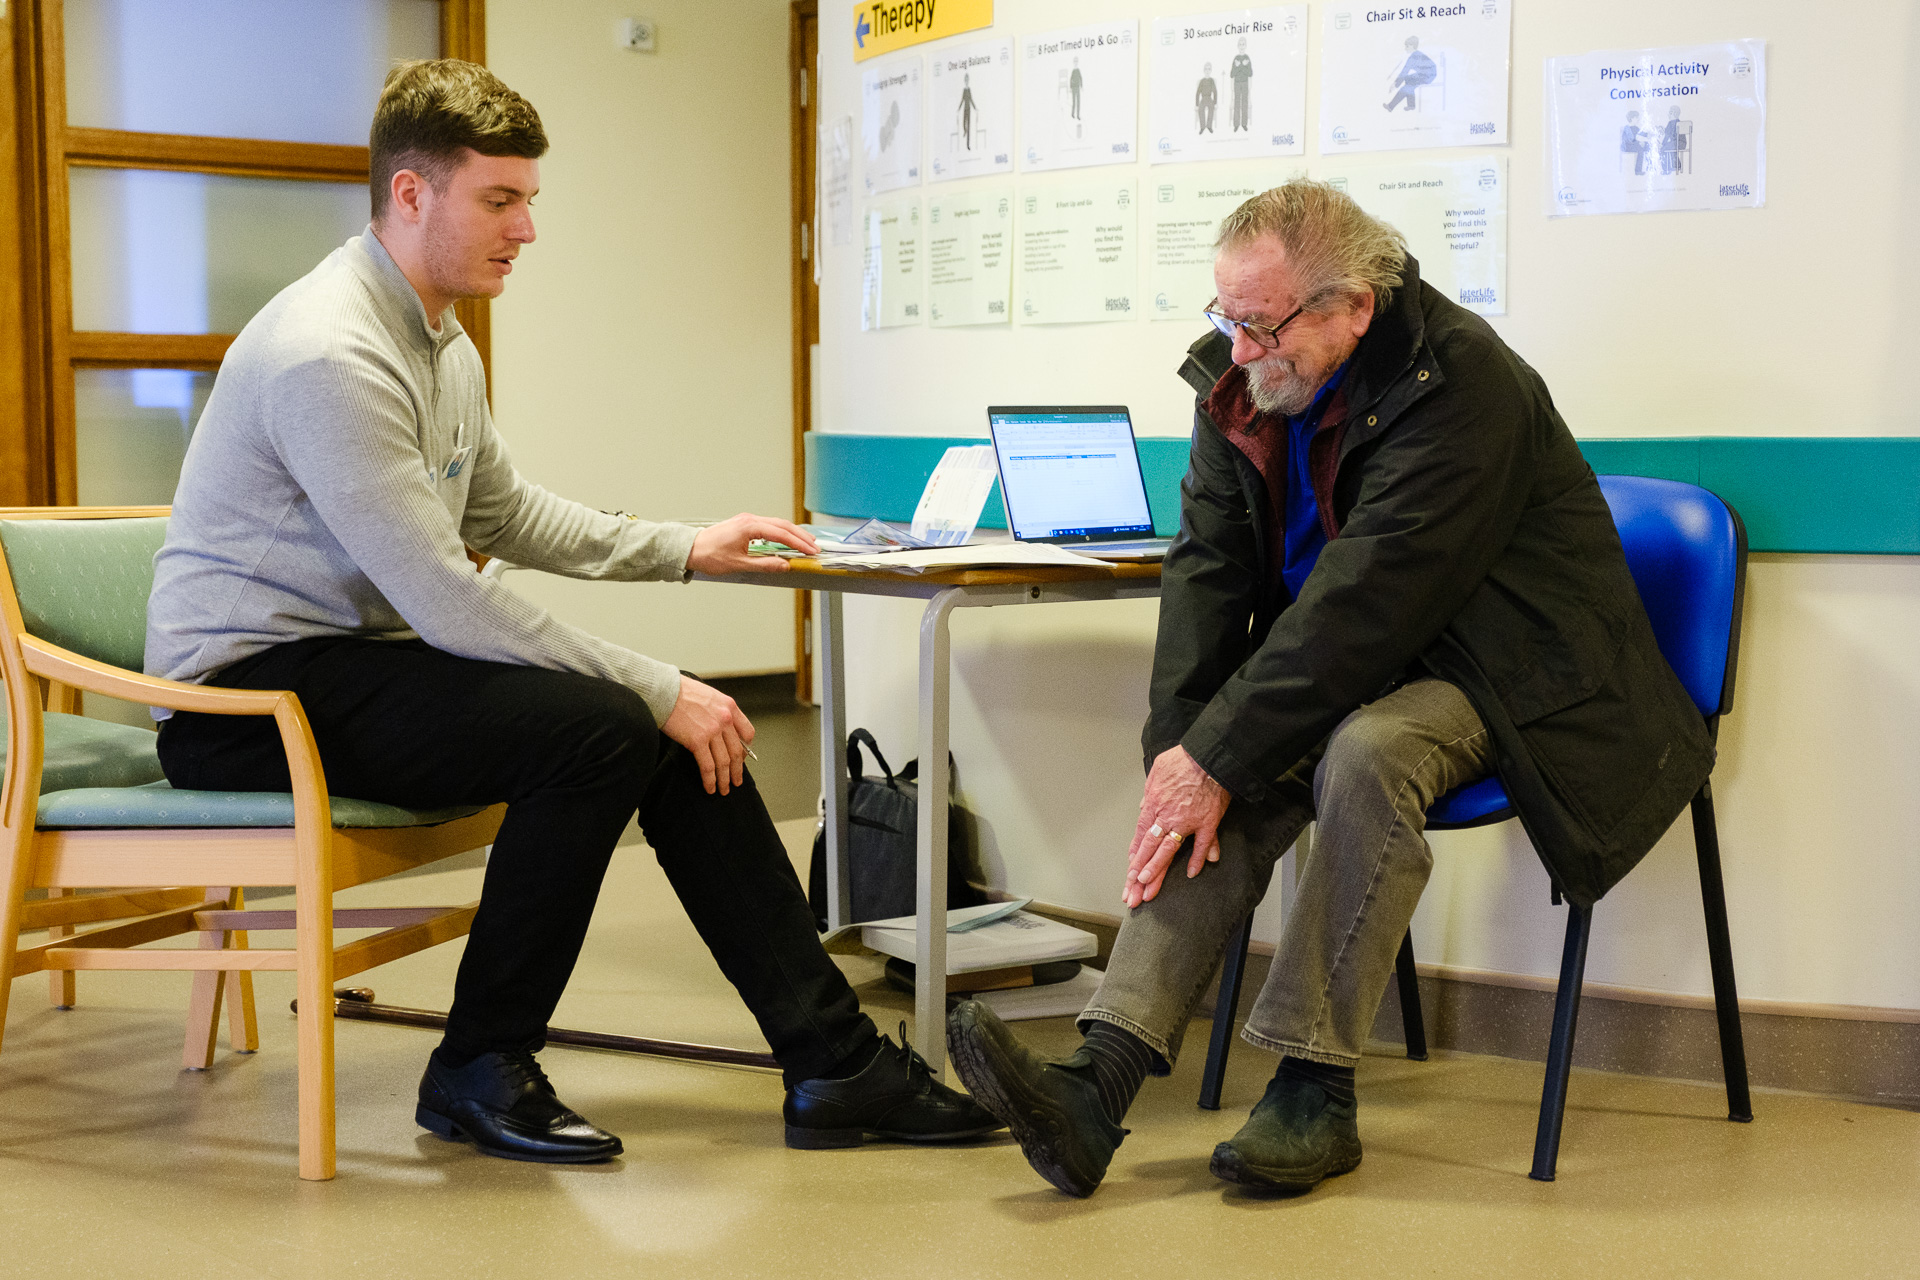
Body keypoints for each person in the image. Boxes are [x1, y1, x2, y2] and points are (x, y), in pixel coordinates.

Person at [146, 59, 1001, 1166]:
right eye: (501, 199)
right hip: (242, 699)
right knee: (607, 723)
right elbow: (447, 594)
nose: (528, 228)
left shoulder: (440, 338)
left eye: (529, 199)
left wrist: (688, 548)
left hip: (351, 663)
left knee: (655, 733)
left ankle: (832, 1063)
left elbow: (503, 510)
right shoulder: (332, 351)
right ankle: (479, 1061)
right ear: (411, 194)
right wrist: (662, 685)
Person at [947, 179, 1712, 1197]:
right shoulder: (1239, 380)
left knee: (1364, 749)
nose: (1241, 347)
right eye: (1229, 316)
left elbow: (1370, 599)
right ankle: (1099, 1080)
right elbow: (1208, 567)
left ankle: (1314, 1085)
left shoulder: (1465, 380)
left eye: (1263, 324)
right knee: (1226, 760)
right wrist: (1182, 747)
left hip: (1515, 665)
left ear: (1353, 304)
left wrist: (1217, 750)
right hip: (1354, 657)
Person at [1383, 36, 1436, 112]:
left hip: (1428, 75)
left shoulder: (1413, 57)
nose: (1405, 48)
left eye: (1407, 46)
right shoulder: (1416, 54)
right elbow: (1405, 73)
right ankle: (1411, 105)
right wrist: (1396, 83)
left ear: (1412, 46)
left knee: (1406, 88)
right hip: (1426, 73)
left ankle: (1390, 106)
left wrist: (1395, 84)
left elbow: (1404, 71)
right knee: (1408, 79)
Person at [1230, 37, 1253, 132]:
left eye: (1243, 44)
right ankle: (1236, 124)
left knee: (1244, 103)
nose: (1242, 46)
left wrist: (1242, 66)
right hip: (1236, 84)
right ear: (1237, 46)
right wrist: (1238, 66)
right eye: (1240, 44)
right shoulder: (1235, 58)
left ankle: (1244, 124)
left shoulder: (1247, 58)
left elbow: (1250, 73)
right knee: (1237, 103)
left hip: (1245, 83)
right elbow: (1232, 74)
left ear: (1246, 46)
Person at [1658, 105, 1686, 175]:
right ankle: (1677, 166)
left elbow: (1666, 137)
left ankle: (1666, 169)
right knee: (1671, 147)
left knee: (1663, 149)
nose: (1668, 114)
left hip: (1676, 143)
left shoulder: (1670, 123)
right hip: (1682, 144)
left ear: (1673, 113)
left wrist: (1662, 145)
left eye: (1670, 113)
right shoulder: (1680, 122)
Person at [1621, 110, 1651, 176]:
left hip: (1635, 144)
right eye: (1636, 117)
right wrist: (1641, 142)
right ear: (1631, 118)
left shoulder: (1636, 128)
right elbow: (1633, 138)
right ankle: (1638, 171)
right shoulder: (1627, 128)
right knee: (1640, 149)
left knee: (1648, 146)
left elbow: (1642, 134)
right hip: (1628, 146)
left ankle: (1650, 167)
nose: (1638, 119)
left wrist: (1647, 134)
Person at [1195, 63, 1218, 134]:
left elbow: (1215, 92)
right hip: (1203, 98)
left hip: (1209, 98)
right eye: (1206, 69)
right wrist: (1197, 104)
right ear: (1203, 70)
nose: (1207, 71)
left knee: (1211, 108)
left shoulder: (1211, 80)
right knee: (1200, 109)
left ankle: (1209, 126)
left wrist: (1215, 103)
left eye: (1209, 69)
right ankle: (1202, 127)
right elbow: (1198, 93)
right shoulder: (1202, 81)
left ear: (1211, 70)